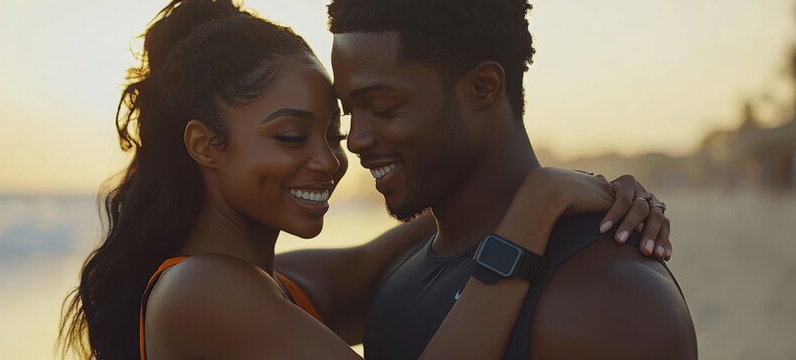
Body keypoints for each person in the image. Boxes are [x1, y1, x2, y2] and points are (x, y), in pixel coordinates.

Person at [58, 1, 681, 359]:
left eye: (339, 127)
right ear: (206, 145)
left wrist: (594, 193)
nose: (340, 154)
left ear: (484, 88)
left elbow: (447, 225)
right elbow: (498, 223)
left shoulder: (285, 286)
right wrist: (541, 198)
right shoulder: (199, 292)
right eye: (290, 136)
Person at [295, 0, 696, 358]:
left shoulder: (605, 298)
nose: (357, 139)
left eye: (382, 107)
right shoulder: (395, 271)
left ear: (483, 87)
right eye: (350, 112)